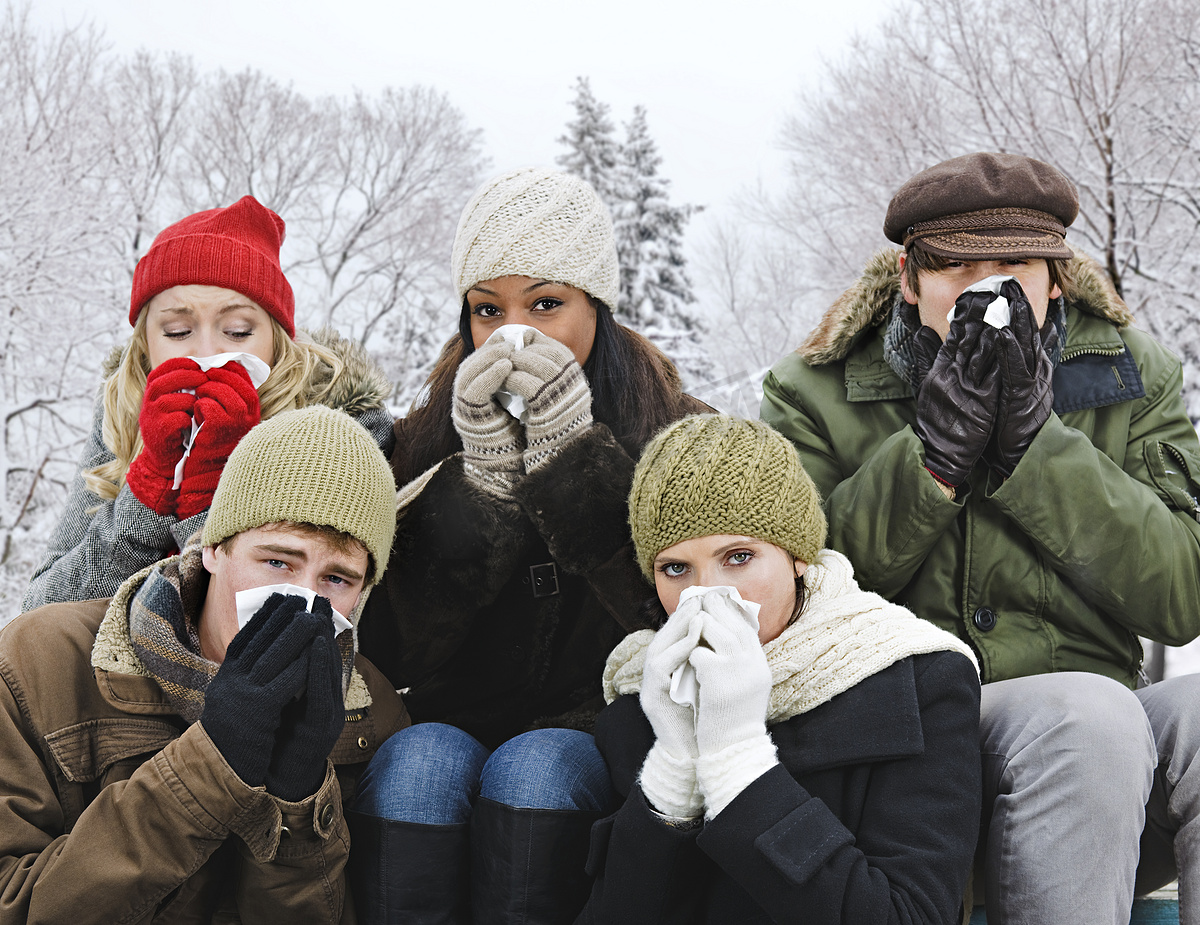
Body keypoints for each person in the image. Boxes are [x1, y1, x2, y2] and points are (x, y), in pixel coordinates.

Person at [761, 151, 1200, 924]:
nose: (986, 290)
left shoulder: (1133, 375)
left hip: (1100, 762)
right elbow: (787, 598)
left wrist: (1040, 451)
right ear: (909, 278)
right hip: (905, 740)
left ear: (1056, 278)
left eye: (1014, 266)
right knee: (1089, 715)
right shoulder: (812, 389)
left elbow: (1182, 595)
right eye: (956, 268)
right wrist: (929, 458)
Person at [351, 166, 707, 924]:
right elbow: (391, 642)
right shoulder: (423, 436)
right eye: (489, 309)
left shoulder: (677, 431)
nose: (515, 334)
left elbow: (682, 609)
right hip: (450, 713)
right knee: (416, 767)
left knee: (537, 769)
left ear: (597, 309)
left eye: (547, 304)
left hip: (603, 718)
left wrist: (574, 462)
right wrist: (478, 489)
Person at [0, 404, 407, 923]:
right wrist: (212, 761)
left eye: (337, 579)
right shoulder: (41, 661)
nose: (302, 599)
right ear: (213, 547)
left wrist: (297, 803)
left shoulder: (371, 713)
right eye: (277, 562)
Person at [578, 414, 981, 924]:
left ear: (797, 556)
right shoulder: (645, 698)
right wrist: (674, 769)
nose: (707, 594)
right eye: (676, 569)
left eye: (739, 556)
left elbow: (911, 915)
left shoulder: (921, 679)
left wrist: (738, 762)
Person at [23, 195, 395, 611]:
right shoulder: (121, 414)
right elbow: (40, 615)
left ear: (277, 339)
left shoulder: (346, 426)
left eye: (237, 332)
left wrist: (210, 498)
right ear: (146, 346)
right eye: (178, 331)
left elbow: (281, 622)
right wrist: (144, 504)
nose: (206, 352)